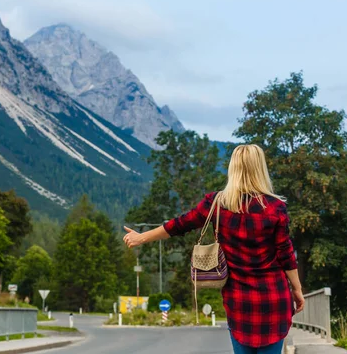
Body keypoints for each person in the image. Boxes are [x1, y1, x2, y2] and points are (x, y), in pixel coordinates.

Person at [123, 144, 304, 354]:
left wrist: (141, 237)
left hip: (238, 301)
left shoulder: (217, 203)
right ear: (260, 168)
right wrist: (297, 289)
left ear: (233, 169)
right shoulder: (275, 207)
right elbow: (286, 254)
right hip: (274, 299)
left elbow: (180, 224)